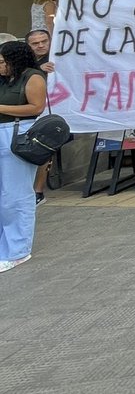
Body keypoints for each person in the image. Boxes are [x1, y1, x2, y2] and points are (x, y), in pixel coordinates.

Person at [0, 41, 48, 272]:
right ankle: (4, 247)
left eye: (2, 62)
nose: (0, 66)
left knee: (15, 194)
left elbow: (36, 107)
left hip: (16, 134)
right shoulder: (4, 79)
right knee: (3, 195)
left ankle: (18, 251)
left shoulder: (32, 77)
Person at [25, 28, 54, 205]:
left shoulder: (59, 56)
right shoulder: (22, 61)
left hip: (50, 111)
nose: (41, 46)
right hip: (28, 112)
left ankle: (38, 190)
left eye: (44, 41)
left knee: (45, 147)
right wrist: (37, 69)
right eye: (35, 43)